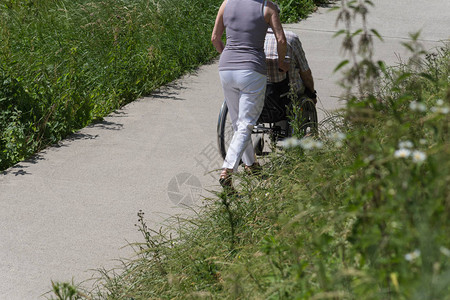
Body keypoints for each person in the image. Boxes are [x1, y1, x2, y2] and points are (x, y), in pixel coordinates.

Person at [211, 0, 288, 189]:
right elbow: (281, 40)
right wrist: (281, 63)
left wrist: (227, 56)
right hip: (252, 70)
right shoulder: (268, 7)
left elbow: (215, 38)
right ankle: (227, 170)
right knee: (246, 124)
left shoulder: (226, 3)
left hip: (226, 68)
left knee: (238, 123)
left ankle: (251, 164)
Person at [264, 9, 316, 103]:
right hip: (288, 93)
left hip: (261, 92)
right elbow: (305, 73)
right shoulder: (290, 38)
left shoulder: (253, 40)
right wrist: (312, 93)